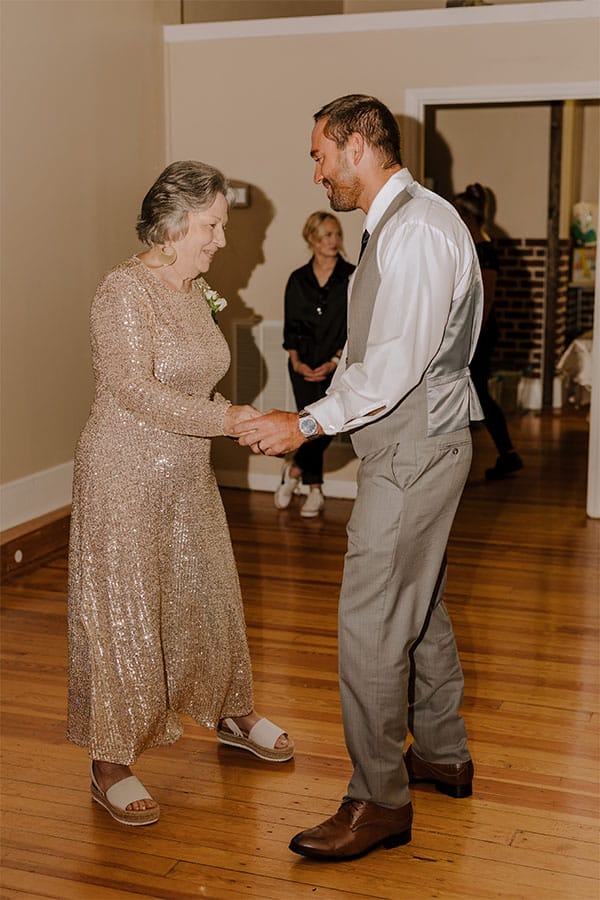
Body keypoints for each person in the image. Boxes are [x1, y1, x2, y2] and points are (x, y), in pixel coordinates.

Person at [232, 95, 483, 861]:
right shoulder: (412, 220)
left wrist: (304, 422)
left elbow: (400, 366)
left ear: (358, 147)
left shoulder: (411, 231)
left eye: (320, 154)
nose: (316, 172)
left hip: (413, 452)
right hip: (426, 443)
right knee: (421, 600)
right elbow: (396, 346)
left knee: (370, 625)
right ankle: (440, 752)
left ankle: (378, 799)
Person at [67, 160, 293, 828]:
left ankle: (229, 709)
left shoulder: (196, 290)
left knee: (208, 594)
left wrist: (233, 413)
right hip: (123, 473)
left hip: (186, 472)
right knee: (126, 612)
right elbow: (133, 391)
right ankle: (109, 762)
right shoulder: (123, 293)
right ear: (174, 222)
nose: (222, 239)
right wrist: (226, 420)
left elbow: (188, 388)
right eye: (214, 224)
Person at [275, 211, 354, 517]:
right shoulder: (297, 279)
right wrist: (296, 363)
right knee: (310, 422)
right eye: (326, 235)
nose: (334, 241)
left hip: (338, 365)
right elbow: (290, 327)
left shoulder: (351, 276)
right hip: (302, 366)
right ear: (312, 239)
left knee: (327, 425)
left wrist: (336, 361)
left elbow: (355, 327)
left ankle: (295, 469)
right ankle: (315, 490)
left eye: (337, 235)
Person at [453, 184, 523, 480]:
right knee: (474, 393)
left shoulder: (485, 250)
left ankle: (506, 454)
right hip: (470, 333)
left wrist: (471, 340)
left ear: (468, 216)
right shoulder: (474, 246)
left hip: (478, 334)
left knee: (477, 393)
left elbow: (487, 300)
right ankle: (505, 454)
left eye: (457, 212)